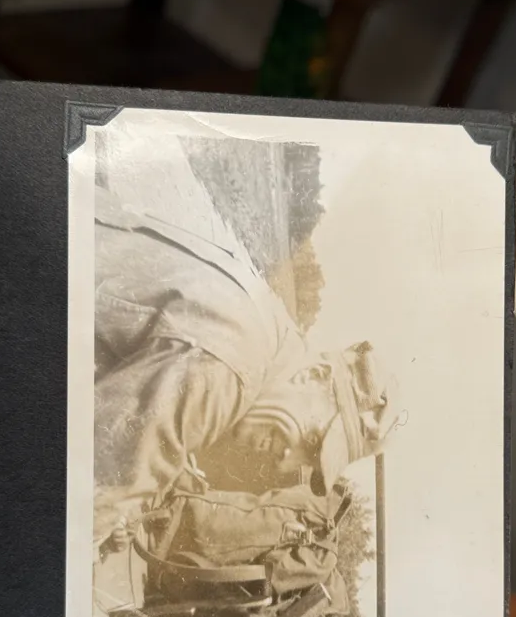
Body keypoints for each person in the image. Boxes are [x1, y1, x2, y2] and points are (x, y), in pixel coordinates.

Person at [93, 182, 398, 550]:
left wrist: (121, 513)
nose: (286, 464)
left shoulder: (264, 329)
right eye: (312, 441)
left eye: (308, 461)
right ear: (313, 375)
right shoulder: (233, 370)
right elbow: (81, 493)